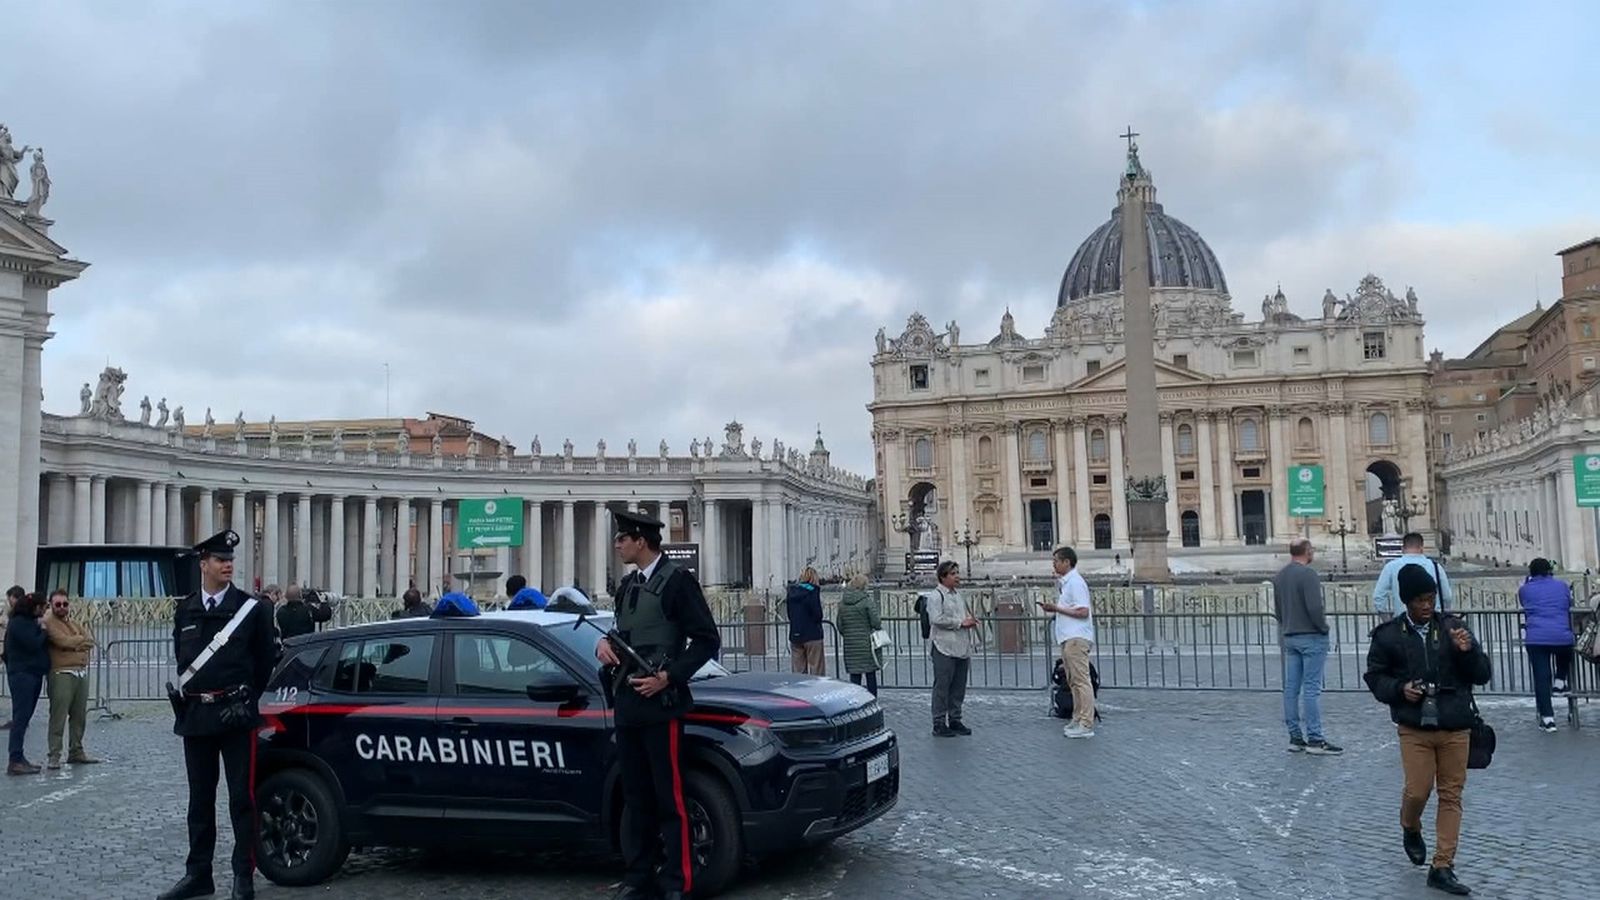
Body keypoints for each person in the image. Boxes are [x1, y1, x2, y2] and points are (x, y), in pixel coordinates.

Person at [600, 509, 720, 900]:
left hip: (662, 705)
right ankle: (639, 876)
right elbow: (622, 633)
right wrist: (604, 644)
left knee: (670, 797)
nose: (617, 545)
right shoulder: (628, 586)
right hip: (628, 704)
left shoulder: (678, 582)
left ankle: (676, 881)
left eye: (622, 539)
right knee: (635, 797)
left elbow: (706, 640)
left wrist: (670, 676)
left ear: (641, 540)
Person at [159, 530, 279, 900]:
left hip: (236, 715)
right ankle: (199, 873)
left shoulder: (253, 609)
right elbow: (183, 658)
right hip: (196, 714)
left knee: (241, 798)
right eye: (219, 559)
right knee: (200, 800)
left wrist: (246, 698)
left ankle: (243, 874)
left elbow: (265, 662)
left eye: (230, 559)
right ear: (203, 564)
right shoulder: (186, 609)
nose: (227, 564)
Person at [1364, 564, 1491, 897]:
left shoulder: (1454, 628)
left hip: (1455, 724)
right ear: (1406, 601)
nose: (1427, 605)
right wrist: (1399, 689)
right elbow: (1375, 678)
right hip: (1414, 726)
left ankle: (1442, 866)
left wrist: (1470, 651)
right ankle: (1410, 825)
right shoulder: (1388, 635)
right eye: (1420, 599)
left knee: (1451, 795)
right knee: (1418, 791)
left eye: (1431, 597)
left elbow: (1481, 674)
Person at [1272, 539, 1341, 755]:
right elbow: (1314, 606)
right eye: (1312, 550)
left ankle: (1295, 737)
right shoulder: (1308, 575)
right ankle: (1315, 739)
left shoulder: (1280, 576)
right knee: (1311, 689)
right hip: (1311, 636)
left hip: (1290, 636)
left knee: (1291, 689)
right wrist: (1323, 627)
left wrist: (1287, 626)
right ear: (1307, 551)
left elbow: (1278, 609)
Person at [1039, 546, 1096, 739]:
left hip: (1076, 638)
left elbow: (1083, 611)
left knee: (1081, 681)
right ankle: (1078, 718)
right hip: (1068, 638)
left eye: (1056, 561)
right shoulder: (1067, 583)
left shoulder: (1076, 583)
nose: (1053, 564)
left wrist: (1056, 608)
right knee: (1073, 681)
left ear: (1066, 562)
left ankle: (1086, 722)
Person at [42, 588, 100, 768]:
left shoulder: (74, 623)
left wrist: (73, 643)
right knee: (58, 716)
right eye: (57, 604)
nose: (61, 607)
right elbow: (61, 641)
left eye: (65, 604)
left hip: (80, 673)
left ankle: (76, 750)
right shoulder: (48, 622)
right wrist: (77, 642)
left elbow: (90, 641)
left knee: (79, 716)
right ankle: (54, 754)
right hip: (61, 673)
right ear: (51, 605)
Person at [1518, 558, 1575, 732]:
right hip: (1561, 636)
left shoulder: (1525, 589)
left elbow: (1523, 602)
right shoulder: (1562, 586)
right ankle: (1559, 681)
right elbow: (1569, 603)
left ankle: (1548, 719)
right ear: (1550, 571)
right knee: (1566, 650)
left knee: (1541, 678)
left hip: (1536, 638)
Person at [927, 560, 977, 737]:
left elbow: (962, 617)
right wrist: (960, 623)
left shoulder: (958, 595)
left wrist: (969, 621)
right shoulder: (935, 596)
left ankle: (955, 718)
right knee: (942, 685)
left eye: (958, 573)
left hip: (961, 646)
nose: (958, 577)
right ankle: (939, 722)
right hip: (943, 646)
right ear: (943, 577)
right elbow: (936, 619)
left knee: (958, 685)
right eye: (953, 574)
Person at [4, 592, 48, 775]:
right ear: (34, 607)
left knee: (23, 717)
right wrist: (44, 631)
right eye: (42, 606)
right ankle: (14, 759)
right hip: (24, 675)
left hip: (30, 673)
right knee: (20, 718)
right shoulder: (20, 623)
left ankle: (19, 757)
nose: (45, 610)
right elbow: (33, 644)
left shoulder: (25, 622)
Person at [1373, 533, 1454, 616]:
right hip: (1432, 620)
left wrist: (1388, 621)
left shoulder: (1390, 567)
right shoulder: (1435, 567)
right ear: (1422, 548)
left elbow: (1378, 598)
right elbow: (1446, 597)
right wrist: (1442, 616)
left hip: (1403, 620)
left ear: (1402, 549)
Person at [836, 573, 882, 695]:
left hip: (850, 645)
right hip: (866, 643)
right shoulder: (866, 601)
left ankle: (856, 701)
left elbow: (840, 626)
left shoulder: (842, 603)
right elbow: (876, 622)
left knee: (855, 676)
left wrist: (849, 634)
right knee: (870, 674)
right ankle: (872, 700)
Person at [786, 566, 826, 676]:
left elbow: (789, 614)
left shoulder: (791, 592)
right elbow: (818, 614)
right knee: (816, 670)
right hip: (812, 635)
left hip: (795, 634)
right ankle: (816, 692)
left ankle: (799, 693)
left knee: (798, 672)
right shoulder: (813, 591)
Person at [1, 584, 24, 731]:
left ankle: (19, 720)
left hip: (17, 662)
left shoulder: (19, 616)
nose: (9, 603)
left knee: (18, 693)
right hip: (12, 659)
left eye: (10, 599)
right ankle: (19, 719)